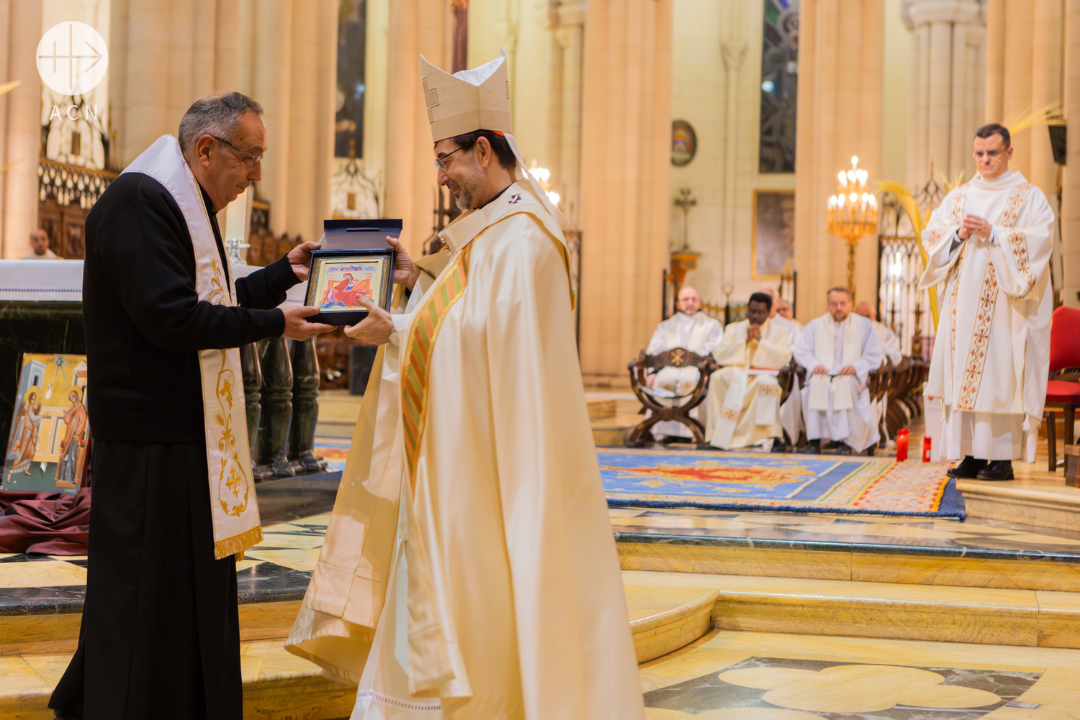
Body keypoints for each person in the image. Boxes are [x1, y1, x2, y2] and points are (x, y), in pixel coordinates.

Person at [286, 51, 645, 719]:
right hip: (457, 468)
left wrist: (394, 332)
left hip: (492, 476)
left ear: (485, 150)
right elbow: (459, 320)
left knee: (488, 598)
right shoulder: (484, 238)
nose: (442, 174)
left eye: (446, 158)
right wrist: (411, 284)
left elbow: (483, 349)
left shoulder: (527, 242)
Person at [49, 92, 333, 720]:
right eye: (250, 157)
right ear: (206, 149)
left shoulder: (183, 203)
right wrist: (273, 325)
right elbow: (170, 318)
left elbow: (217, 297)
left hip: (184, 437)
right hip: (151, 443)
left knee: (176, 597)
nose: (255, 174)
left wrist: (283, 273)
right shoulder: (141, 204)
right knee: (144, 595)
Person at [919, 123, 1055, 481]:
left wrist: (995, 233)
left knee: (999, 378)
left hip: (1004, 310)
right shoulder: (959, 197)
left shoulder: (1029, 197)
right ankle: (970, 455)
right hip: (961, 310)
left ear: (1009, 153)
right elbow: (932, 237)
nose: (984, 160)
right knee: (963, 374)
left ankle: (1000, 458)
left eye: (992, 153)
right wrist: (959, 234)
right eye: (978, 153)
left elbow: (1041, 240)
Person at [793, 287, 883, 455]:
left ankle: (845, 442)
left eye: (842, 303)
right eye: (834, 304)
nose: (838, 308)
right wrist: (814, 365)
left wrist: (855, 366)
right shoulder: (815, 325)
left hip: (850, 375)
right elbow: (801, 351)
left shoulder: (864, 325)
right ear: (828, 305)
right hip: (824, 373)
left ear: (850, 304)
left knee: (843, 387)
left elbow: (874, 355)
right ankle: (814, 441)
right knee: (814, 385)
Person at [705, 292, 792, 450]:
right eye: (752, 311)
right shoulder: (733, 329)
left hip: (763, 374)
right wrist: (744, 341)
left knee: (766, 383)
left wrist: (761, 342)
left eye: (760, 312)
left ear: (768, 313)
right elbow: (719, 354)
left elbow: (784, 357)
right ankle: (719, 435)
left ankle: (765, 436)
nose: (755, 316)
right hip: (737, 374)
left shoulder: (778, 331)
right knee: (716, 378)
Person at [644, 285, 723, 440]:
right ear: (678, 304)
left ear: (700, 303)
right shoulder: (665, 326)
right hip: (668, 371)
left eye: (694, 299)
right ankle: (663, 431)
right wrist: (653, 372)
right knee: (661, 380)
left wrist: (708, 372)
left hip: (696, 371)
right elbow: (655, 351)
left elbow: (716, 350)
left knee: (696, 382)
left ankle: (691, 432)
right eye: (685, 299)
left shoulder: (711, 325)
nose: (690, 303)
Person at [855, 300, 903, 442]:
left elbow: (897, 357)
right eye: (860, 316)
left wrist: (879, 346)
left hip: (876, 379)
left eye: (867, 316)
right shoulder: (849, 330)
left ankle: (869, 437)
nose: (864, 320)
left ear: (875, 315)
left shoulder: (884, 332)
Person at [54, 387, 89, 488]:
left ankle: (70, 478)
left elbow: (83, 420)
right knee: (65, 454)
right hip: (68, 434)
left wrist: (77, 433)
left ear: (77, 397)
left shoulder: (80, 407)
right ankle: (62, 477)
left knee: (72, 456)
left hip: (75, 435)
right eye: (71, 399)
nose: (73, 400)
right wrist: (66, 415)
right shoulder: (72, 408)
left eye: (74, 398)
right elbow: (67, 421)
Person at [6, 386, 42, 478]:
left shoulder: (32, 409)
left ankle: (26, 469)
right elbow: (32, 419)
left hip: (30, 433)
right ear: (30, 399)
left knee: (31, 450)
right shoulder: (29, 409)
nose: (34, 400)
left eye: (35, 399)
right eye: (33, 399)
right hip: (26, 432)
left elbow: (34, 420)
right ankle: (10, 473)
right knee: (22, 452)